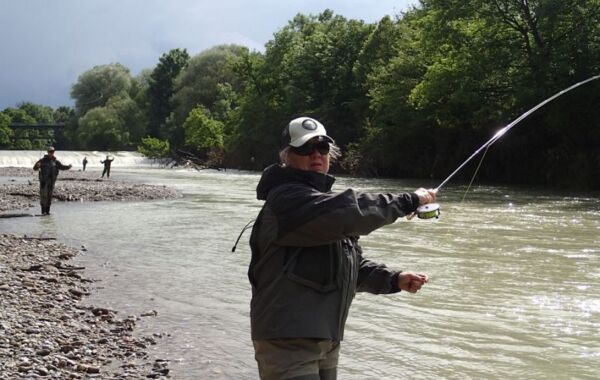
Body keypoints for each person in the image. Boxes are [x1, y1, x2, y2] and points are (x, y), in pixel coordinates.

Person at [248, 117, 436, 380]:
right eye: (304, 149)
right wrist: (408, 201)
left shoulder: (322, 204)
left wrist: (393, 280)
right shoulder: (287, 200)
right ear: (286, 157)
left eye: (322, 148)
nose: (316, 155)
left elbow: (350, 266)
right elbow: (350, 212)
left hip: (326, 340)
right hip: (288, 341)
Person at [33, 147, 72, 215]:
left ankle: (48, 212)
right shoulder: (42, 160)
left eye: (52, 151)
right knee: (44, 196)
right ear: (47, 152)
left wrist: (68, 167)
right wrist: (37, 166)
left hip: (52, 182)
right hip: (44, 182)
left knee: (49, 196)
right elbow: (34, 168)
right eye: (50, 151)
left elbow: (62, 167)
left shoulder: (56, 162)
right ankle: (43, 212)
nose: (51, 153)